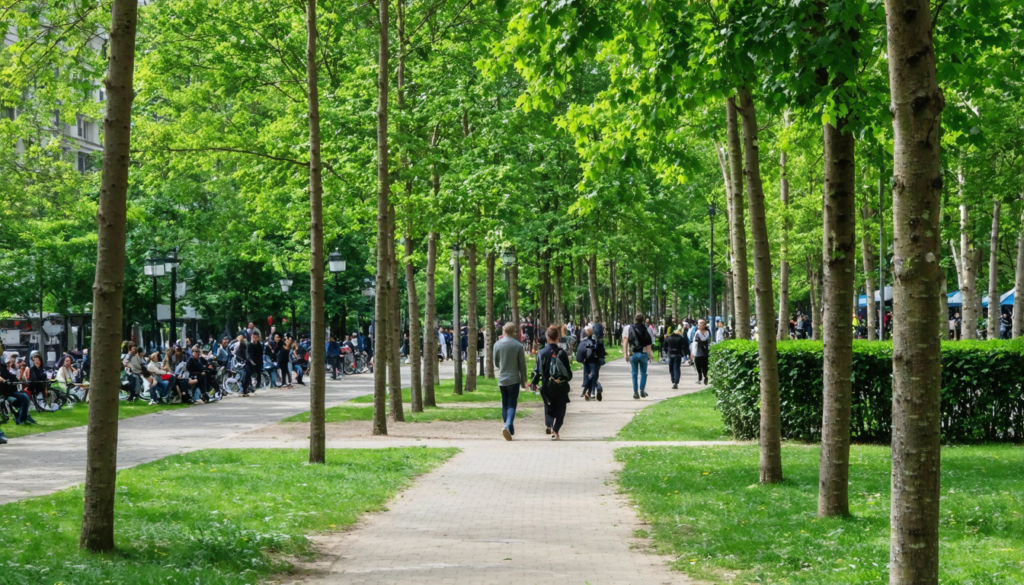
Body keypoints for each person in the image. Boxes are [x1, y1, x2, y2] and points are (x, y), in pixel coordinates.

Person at [532, 326, 573, 439]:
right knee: (561, 408)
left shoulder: (541, 353)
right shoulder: (562, 353)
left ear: (547, 337)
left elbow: (537, 370)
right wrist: (567, 378)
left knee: (548, 406)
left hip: (547, 386)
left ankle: (549, 424)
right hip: (560, 386)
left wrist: (534, 383)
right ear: (558, 337)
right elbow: (568, 373)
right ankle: (556, 430)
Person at [493, 321, 528, 441]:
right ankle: (508, 426)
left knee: (505, 404)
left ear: (504, 330)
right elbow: (522, 365)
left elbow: (496, 362)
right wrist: (524, 381)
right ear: (514, 331)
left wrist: (502, 366)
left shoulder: (497, 344)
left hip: (502, 379)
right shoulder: (518, 346)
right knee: (512, 404)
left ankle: (509, 428)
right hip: (514, 380)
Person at [622, 313, 653, 399]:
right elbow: (648, 344)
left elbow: (625, 341)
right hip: (643, 353)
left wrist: (625, 353)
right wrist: (649, 355)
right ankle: (642, 391)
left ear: (635, 319)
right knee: (643, 373)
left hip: (633, 353)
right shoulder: (647, 329)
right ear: (643, 320)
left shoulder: (628, 328)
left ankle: (635, 392)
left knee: (634, 374)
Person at [576, 326, 603, 401]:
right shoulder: (596, 340)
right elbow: (601, 351)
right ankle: (595, 390)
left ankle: (590, 392)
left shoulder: (584, 341)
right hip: (595, 361)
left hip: (586, 361)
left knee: (588, 377)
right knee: (593, 377)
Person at [663, 324, 685, 389]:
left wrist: (667, 352)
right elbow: (684, 346)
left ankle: (673, 381)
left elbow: (664, 345)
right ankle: (676, 382)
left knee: (671, 368)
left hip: (670, 354)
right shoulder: (680, 338)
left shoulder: (669, 338)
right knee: (676, 368)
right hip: (678, 354)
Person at [243, 330, 263, 396]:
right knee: (248, 374)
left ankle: (255, 386)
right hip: (249, 363)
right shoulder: (249, 345)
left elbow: (260, 355)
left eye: (256, 337)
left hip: (257, 363)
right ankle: (245, 389)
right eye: (253, 337)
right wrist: (250, 360)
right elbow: (248, 355)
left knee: (258, 375)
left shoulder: (260, 346)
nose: (255, 339)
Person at [692, 319, 712, 385]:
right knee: (698, 366)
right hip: (698, 351)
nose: (701, 324)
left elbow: (710, 340)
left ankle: (705, 378)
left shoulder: (708, 331)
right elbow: (694, 341)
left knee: (705, 366)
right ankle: (700, 378)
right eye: (700, 323)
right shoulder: (696, 331)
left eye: (703, 323)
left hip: (705, 351)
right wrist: (692, 352)